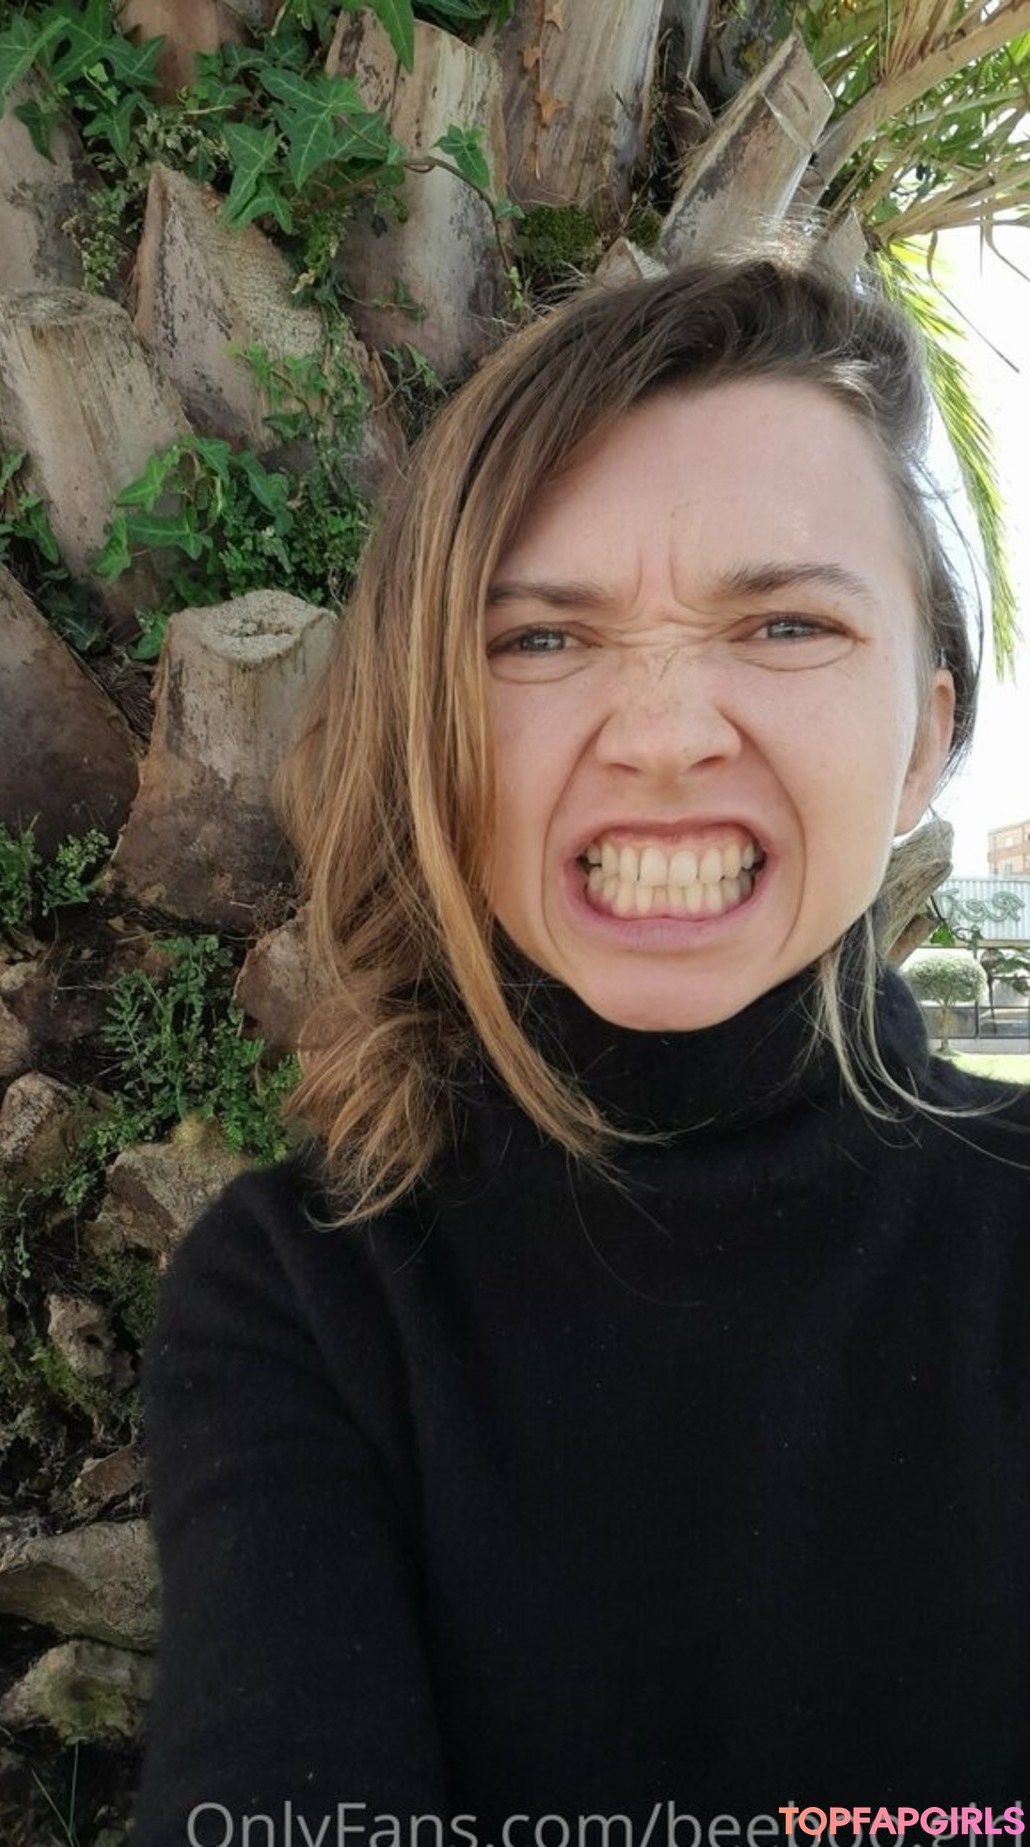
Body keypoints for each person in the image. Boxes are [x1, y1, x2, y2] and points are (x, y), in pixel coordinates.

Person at [131, 253, 1030, 1846]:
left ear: (926, 741)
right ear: (431, 740)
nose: (667, 733)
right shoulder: (303, 1303)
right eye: (542, 641)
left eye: (787, 622)